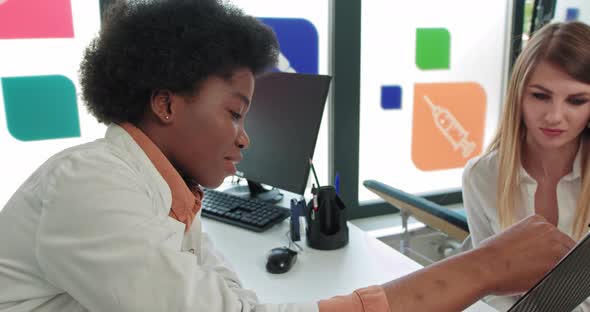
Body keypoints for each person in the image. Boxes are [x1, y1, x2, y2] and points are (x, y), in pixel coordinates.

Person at [0, 1, 574, 311]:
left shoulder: (169, 200)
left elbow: (237, 300)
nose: (245, 138)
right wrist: (483, 266)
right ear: (165, 104)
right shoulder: (93, 187)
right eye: (234, 112)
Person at [463, 21, 590, 311]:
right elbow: (488, 285)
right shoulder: (481, 176)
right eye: (540, 96)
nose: (555, 117)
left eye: (577, 100)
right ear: (518, 96)